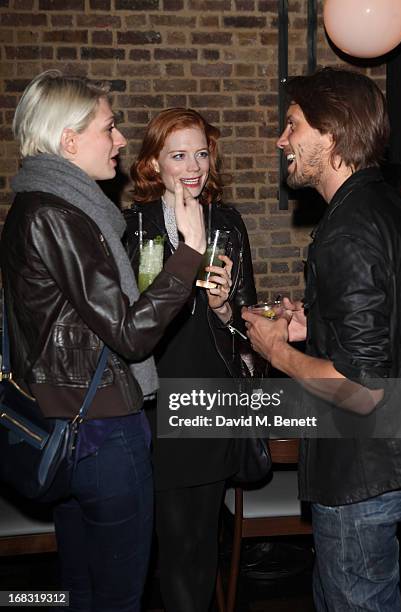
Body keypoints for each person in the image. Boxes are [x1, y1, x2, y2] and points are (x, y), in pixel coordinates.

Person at [1, 71, 206, 612]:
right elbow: (131, 334)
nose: (119, 139)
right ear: (69, 140)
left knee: (81, 592)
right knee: (117, 598)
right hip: (101, 432)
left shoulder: (39, 206)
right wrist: (189, 252)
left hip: (67, 424)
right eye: (109, 127)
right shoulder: (58, 214)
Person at [242, 67, 401, 611]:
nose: (281, 139)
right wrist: (315, 327)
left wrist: (277, 350)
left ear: (331, 134)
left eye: (292, 125)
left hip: (362, 472)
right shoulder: (387, 206)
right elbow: (390, 322)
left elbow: (361, 388)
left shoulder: (347, 229)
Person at [125, 107, 257, 612]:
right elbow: (121, 322)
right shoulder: (132, 227)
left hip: (208, 398)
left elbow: (246, 323)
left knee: (198, 543)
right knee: (162, 540)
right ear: (154, 164)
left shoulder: (228, 222)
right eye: (178, 155)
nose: (193, 166)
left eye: (200, 152)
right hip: (150, 400)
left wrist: (226, 308)